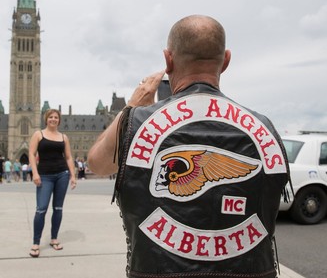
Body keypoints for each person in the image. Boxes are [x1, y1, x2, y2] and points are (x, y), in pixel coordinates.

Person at [87, 15, 290, 278]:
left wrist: (131, 106)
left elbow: (97, 163)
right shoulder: (265, 127)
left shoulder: (137, 121)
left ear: (168, 60)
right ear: (226, 61)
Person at [28, 109, 77, 258]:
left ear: (59, 120)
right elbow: (31, 154)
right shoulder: (38, 134)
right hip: (44, 176)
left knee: (58, 208)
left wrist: (72, 175)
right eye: (51, 117)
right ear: (46, 119)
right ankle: (36, 243)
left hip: (62, 174)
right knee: (41, 209)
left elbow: (68, 157)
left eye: (56, 117)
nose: (53, 119)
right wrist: (35, 173)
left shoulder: (63, 137)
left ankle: (54, 239)